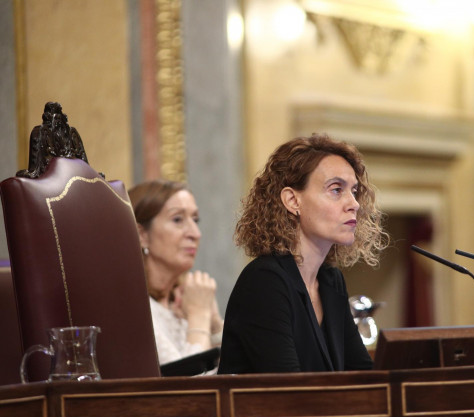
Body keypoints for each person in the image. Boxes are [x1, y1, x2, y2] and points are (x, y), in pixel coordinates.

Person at [217, 133, 388, 374]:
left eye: (354, 191)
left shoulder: (330, 280)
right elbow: (290, 392)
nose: (354, 203)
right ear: (292, 200)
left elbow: (360, 373)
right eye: (336, 189)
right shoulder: (265, 281)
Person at [128, 180, 224, 365]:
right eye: (178, 219)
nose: (195, 233)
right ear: (142, 235)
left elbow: (235, 376)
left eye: (195, 220)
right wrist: (199, 315)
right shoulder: (134, 308)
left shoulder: (184, 300)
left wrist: (214, 325)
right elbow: (186, 388)